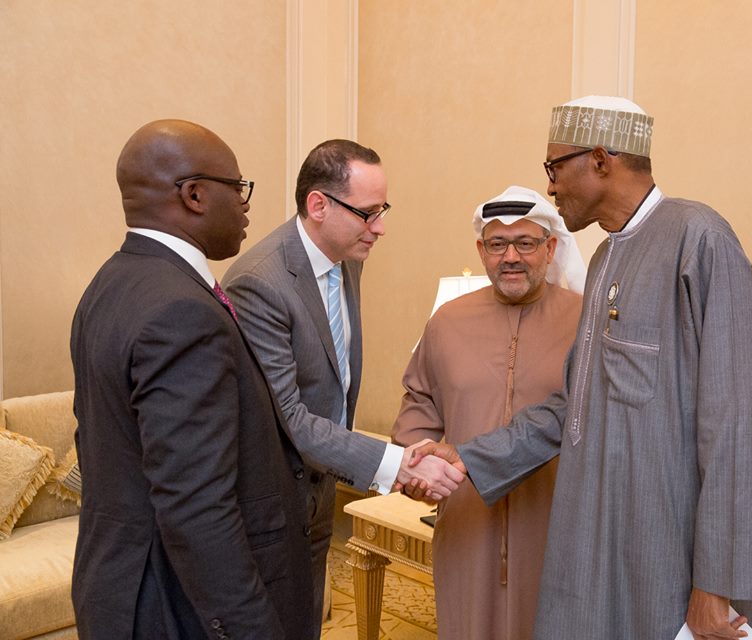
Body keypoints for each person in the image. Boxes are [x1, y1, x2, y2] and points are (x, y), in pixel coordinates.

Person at [407, 96, 752, 640]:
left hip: (667, 556)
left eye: (555, 168)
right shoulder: (605, 259)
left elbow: (738, 427)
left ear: (601, 160)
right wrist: (467, 453)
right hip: (595, 545)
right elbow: (574, 404)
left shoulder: (699, 239)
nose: (550, 187)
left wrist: (714, 587)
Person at [70, 119, 316, 639]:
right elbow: (196, 505)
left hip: (117, 584)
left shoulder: (110, 284)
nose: (246, 204)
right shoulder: (181, 310)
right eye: (239, 187)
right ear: (195, 194)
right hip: (174, 604)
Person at [222, 139, 464, 627]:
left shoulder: (347, 257)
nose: (380, 227)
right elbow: (289, 416)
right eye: (368, 213)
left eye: (383, 210)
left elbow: (334, 377)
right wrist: (396, 464)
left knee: (308, 619)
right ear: (318, 206)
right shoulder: (259, 283)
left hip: (320, 489)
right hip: (272, 499)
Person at [392, 186, 585, 640]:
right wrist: (419, 467)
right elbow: (419, 403)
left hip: (557, 529)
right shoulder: (447, 321)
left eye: (526, 243)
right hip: (466, 526)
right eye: (497, 244)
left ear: (551, 248)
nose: (511, 257)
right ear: (481, 251)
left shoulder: (585, 321)